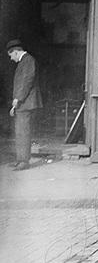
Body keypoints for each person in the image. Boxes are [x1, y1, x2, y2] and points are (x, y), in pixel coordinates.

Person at [6, 40, 41, 170]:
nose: (11, 59)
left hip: (26, 102)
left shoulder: (28, 60)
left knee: (23, 132)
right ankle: (21, 159)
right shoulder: (24, 61)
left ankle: (24, 161)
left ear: (15, 51)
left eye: (11, 55)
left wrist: (18, 99)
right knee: (20, 132)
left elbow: (27, 81)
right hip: (23, 103)